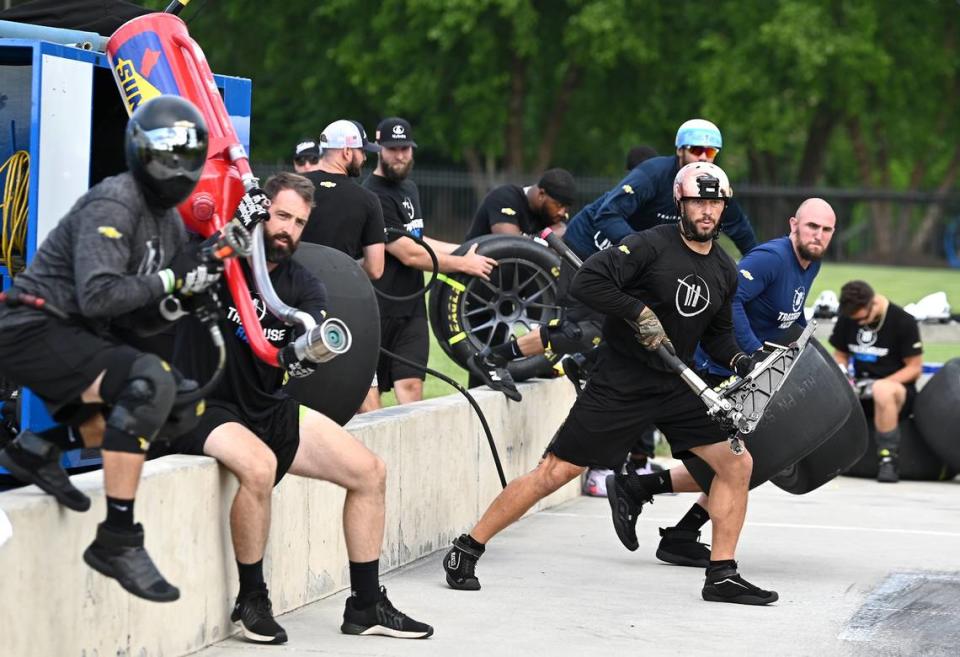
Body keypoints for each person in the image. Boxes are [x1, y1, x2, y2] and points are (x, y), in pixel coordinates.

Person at [443, 162, 779, 606]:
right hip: (621, 382)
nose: (707, 210)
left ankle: (722, 574)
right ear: (680, 203)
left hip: (677, 383)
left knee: (737, 464)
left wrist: (741, 359)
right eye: (698, 200)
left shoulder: (724, 269)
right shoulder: (646, 246)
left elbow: (717, 335)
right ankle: (467, 547)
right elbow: (587, 282)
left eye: (715, 202)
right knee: (556, 472)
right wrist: (637, 312)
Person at [158, 172, 433, 642]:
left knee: (370, 472)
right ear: (262, 211)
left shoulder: (303, 284)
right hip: (204, 404)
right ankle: (251, 600)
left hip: (267, 405)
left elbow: (312, 330)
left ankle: (365, 605)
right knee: (259, 467)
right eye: (282, 215)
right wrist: (226, 243)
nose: (288, 229)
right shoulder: (222, 257)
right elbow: (177, 280)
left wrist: (306, 351)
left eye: (299, 222)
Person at [0, 95, 221, 602]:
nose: (177, 165)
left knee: (178, 405)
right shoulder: (115, 201)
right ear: (140, 152)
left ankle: (39, 448)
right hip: (32, 325)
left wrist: (185, 298)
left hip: (73, 333)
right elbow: (99, 294)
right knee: (148, 384)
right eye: (168, 153)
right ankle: (118, 539)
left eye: (187, 155)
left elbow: (136, 317)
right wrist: (172, 277)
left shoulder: (167, 223)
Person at [633, 197, 838, 568]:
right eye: (811, 226)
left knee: (736, 465)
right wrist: (751, 354)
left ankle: (670, 520)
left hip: (751, 376)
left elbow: (792, 314)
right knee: (737, 465)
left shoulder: (811, 262)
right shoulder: (771, 259)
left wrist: (795, 354)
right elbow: (729, 301)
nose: (817, 235)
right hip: (717, 368)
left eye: (825, 230)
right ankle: (649, 498)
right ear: (794, 224)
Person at [360, 117, 497, 412]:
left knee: (411, 386)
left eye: (405, 149)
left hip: (411, 310)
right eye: (393, 149)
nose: (400, 155)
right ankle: (376, 457)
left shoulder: (409, 188)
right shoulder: (371, 194)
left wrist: (469, 251)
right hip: (377, 309)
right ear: (378, 149)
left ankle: (411, 456)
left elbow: (420, 241)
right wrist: (462, 263)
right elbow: (409, 253)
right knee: (369, 401)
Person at [563, 118, 757, 261]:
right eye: (696, 150)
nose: (704, 157)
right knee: (586, 315)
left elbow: (740, 230)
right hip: (587, 241)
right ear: (680, 150)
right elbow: (607, 214)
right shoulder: (653, 174)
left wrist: (758, 267)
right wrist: (646, 252)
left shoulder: (715, 185)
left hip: (629, 251)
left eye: (711, 151)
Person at [830, 280, 923, 483]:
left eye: (863, 318)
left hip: (897, 391)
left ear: (873, 304)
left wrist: (877, 385)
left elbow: (914, 368)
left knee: (882, 390)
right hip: (861, 387)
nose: (860, 323)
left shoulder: (903, 321)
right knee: (827, 383)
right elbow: (840, 355)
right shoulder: (848, 318)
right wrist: (843, 373)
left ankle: (888, 459)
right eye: (855, 320)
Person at [294, 122, 386, 281]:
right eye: (362, 151)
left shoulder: (291, 188)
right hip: (340, 294)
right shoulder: (368, 200)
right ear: (347, 152)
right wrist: (340, 267)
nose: (364, 157)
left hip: (291, 289)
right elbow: (375, 269)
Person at [464, 168, 576, 239]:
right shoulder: (505, 197)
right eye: (558, 205)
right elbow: (512, 245)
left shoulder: (551, 216)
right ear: (541, 194)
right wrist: (548, 237)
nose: (562, 213)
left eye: (566, 208)